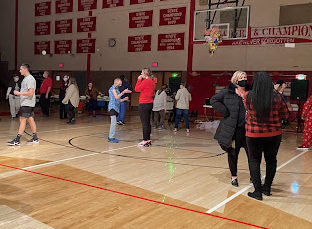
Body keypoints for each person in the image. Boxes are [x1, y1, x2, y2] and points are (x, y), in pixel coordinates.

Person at [237, 72, 289, 200]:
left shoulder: (248, 96)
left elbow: (247, 110)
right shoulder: (277, 97)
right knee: (271, 161)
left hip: (253, 134)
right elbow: (285, 115)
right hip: (274, 134)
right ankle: (267, 188)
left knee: (254, 161)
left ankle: (257, 192)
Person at [210, 71, 250, 187]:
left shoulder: (250, 92)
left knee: (252, 155)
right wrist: (225, 111)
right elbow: (214, 100)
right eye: (242, 77)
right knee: (233, 154)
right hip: (233, 129)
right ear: (236, 80)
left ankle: (254, 177)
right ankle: (234, 176)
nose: (244, 79)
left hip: (248, 129)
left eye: (245, 77)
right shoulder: (227, 92)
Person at [7, 64, 39, 146]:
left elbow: (31, 92)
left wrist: (19, 93)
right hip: (26, 103)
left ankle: (17, 140)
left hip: (27, 103)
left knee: (22, 119)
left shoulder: (30, 79)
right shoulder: (26, 79)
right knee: (30, 119)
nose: (20, 71)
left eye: (21, 69)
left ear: (25, 69)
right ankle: (35, 138)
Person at [135, 68, 156, 147]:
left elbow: (137, 89)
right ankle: (148, 140)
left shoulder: (145, 81)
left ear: (144, 74)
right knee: (147, 122)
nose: (140, 74)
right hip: (150, 103)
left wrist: (139, 80)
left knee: (144, 123)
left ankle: (145, 140)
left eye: (141, 73)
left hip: (144, 103)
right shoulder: (152, 81)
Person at [108, 78, 131, 143]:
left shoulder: (117, 89)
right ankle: (111, 137)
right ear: (116, 82)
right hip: (112, 108)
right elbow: (116, 97)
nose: (120, 85)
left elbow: (118, 100)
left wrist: (124, 99)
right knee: (113, 123)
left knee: (114, 123)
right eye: (120, 84)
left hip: (116, 108)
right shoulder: (112, 89)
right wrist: (123, 92)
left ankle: (111, 136)